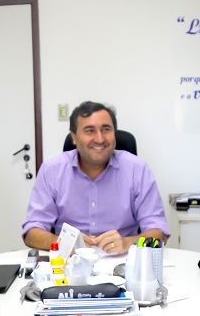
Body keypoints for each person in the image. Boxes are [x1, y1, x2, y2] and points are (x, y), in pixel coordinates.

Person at [22, 100, 168, 253]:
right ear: (74, 137)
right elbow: (32, 232)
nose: (99, 138)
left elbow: (159, 232)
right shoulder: (51, 171)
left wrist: (128, 242)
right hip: (69, 263)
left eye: (106, 129)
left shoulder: (137, 170)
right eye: (89, 130)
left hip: (124, 262)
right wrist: (62, 242)